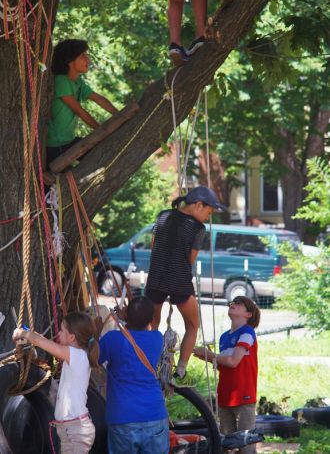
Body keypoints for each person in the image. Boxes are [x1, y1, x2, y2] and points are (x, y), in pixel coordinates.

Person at [145, 185, 226, 385]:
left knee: (152, 325)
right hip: (179, 280)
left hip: (156, 278)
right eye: (208, 211)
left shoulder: (163, 216)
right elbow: (190, 259)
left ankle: (148, 364)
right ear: (198, 205)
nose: (208, 217)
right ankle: (180, 370)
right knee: (192, 325)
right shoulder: (198, 228)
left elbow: (154, 246)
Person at [13, 312, 99, 454]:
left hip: (75, 431)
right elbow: (45, 342)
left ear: (72, 337)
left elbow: (44, 343)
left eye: (61, 330)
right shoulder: (77, 355)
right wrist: (29, 334)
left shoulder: (76, 355)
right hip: (70, 430)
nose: (58, 333)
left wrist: (23, 334)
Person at [99, 296, 169, 454]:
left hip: (122, 416)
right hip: (154, 414)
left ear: (126, 315)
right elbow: (139, 331)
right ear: (151, 319)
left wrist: (96, 333)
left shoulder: (111, 340)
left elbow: (93, 358)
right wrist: (127, 318)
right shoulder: (157, 339)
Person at [194, 296, 261, 453]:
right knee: (227, 446)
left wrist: (209, 355)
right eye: (232, 302)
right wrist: (207, 356)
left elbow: (232, 361)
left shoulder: (247, 332)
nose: (233, 304)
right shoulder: (224, 336)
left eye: (239, 304)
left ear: (248, 314)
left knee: (246, 447)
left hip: (243, 397)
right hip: (225, 396)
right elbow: (226, 367)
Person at [46, 39, 118, 166]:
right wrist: (101, 131)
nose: (88, 60)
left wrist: (118, 115)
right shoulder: (61, 81)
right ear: (69, 61)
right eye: (82, 56)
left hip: (69, 141)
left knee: (105, 154)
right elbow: (79, 111)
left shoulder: (78, 82)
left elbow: (98, 99)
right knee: (59, 181)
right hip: (56, 146)